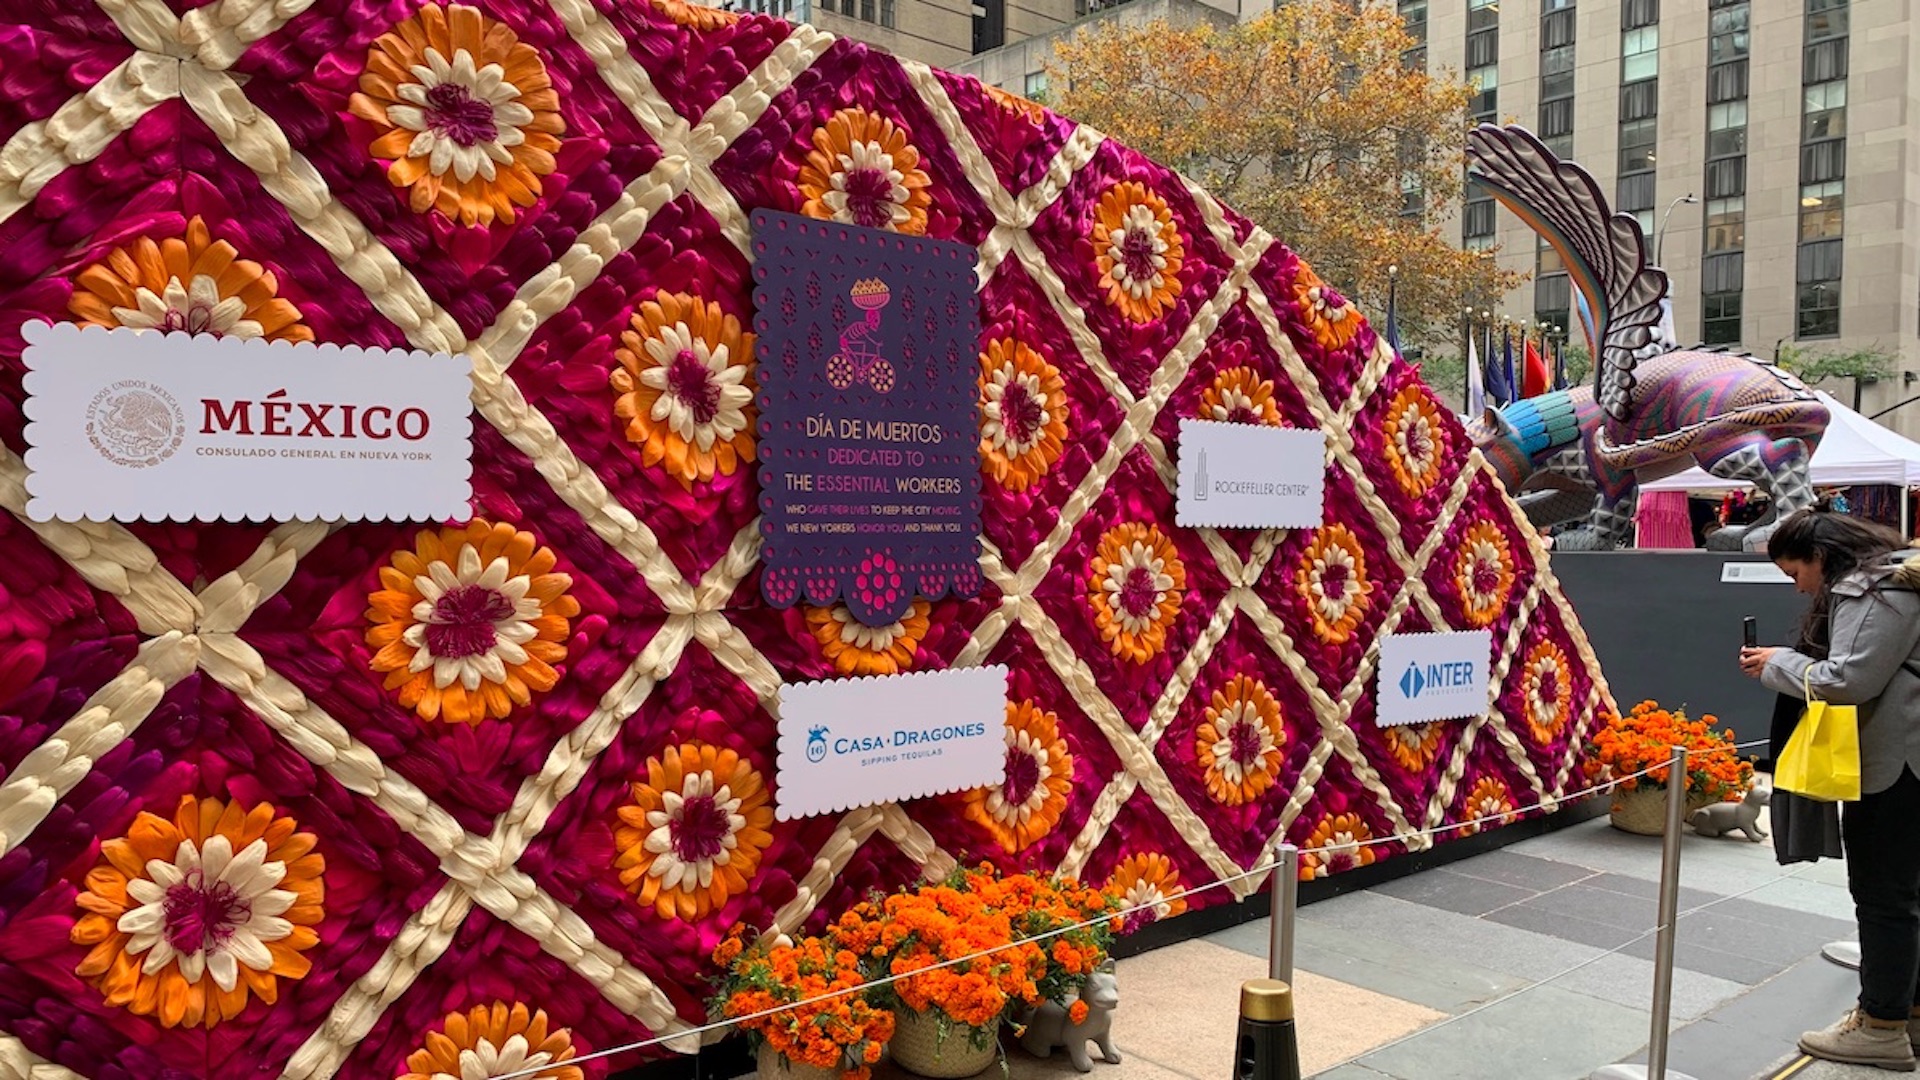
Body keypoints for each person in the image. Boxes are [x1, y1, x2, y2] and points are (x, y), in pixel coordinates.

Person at [1738, 510, 1920, 1070]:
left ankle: (1881, 1026)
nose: (1798, 585)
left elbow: (1849, 679)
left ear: (1820, 556)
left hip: (1896, 766)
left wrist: (1778, 662)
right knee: (1906, 893)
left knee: (1884, 895)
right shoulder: (1895, 578)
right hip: (1909, 760)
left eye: (1795, 571)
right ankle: (1905, 1009)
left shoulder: (1873, 590)